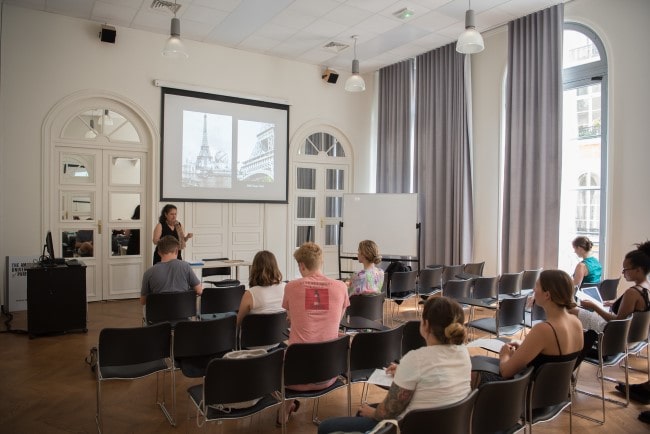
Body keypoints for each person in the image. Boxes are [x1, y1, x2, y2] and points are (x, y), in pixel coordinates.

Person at [317, 296, 471, 434]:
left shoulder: (415, 360)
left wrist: (372, 412)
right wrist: (404, 371)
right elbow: (435, 377)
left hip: (409, 427)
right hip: (447, 426)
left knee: (326, 427)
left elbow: (388, 412)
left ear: (426, 325)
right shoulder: (464, 353)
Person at [474, 270, 584, 385]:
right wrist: (526, 347)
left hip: (526, 391)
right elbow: (554, 356)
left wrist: (505, 355)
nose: (533, 290)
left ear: (547, 295)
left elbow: (506, 371)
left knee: (474, 370)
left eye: (536, 286)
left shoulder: (543, 330)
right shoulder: (577, 323)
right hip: (556, 393)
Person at [281, 242, 350, 424]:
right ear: (321, 262)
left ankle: (285, 409)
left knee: (285, 350)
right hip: (328, 373)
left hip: (294, 377)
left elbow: (290, 317)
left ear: (302, 265)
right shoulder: (341, 287)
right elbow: (336, 320)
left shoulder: (291, 287)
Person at [570, 241, 650, 334]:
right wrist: (616, 303)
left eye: (625, 269)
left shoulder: (632, 292)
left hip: (616, 334)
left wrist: (594, 307)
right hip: (636, 334)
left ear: (638, 270)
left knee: (570, 310)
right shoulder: (646, 286)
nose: (623, 272)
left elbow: (617, 322)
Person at [236, 250, 286, 347]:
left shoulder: (250, 294)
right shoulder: (286, 288)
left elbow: (238, 323)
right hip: (277, 343)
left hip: (251, 347)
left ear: (255, 269)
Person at [140, 235, 202, 306]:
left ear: (159, 252)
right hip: (183, 313)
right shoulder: (185, 267)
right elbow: (199, 291)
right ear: (176, 251)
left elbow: (143, 301)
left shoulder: (148, 273)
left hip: (158, 315)